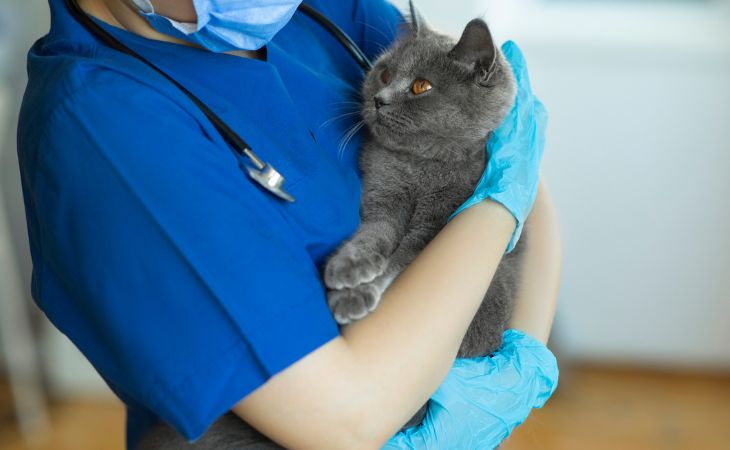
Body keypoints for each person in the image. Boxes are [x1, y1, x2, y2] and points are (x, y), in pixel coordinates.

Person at [16, 0, 561, 449]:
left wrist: (518, 366)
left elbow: (520, 171)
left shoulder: (321, 13)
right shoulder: (105, 126)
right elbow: (342, 420)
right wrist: (496, 208)